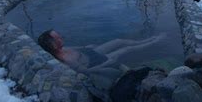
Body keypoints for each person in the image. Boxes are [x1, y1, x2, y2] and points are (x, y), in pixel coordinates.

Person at [38, 29, 166, 75]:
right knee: (126, 49)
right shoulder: (67, 60)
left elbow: (77, 48)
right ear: (53, 45)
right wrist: (107, 63)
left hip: (90, 52)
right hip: (96, 61)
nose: (61, 37)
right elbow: (86, 71)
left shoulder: (62, 48)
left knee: (118, 41)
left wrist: (86, 46)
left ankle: (148, 39)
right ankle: (155, 42)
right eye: (57, 38)